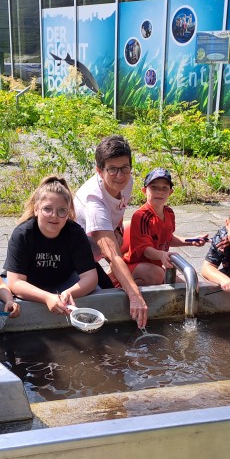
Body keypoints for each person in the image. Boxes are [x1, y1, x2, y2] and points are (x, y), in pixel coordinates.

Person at [74, 135, 148, 327]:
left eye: (124, 168)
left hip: (101, 238)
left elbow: (118, 207)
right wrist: (136, 296)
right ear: (99, 171)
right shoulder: (94, 202)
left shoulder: (126, 182)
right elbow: (112, 255)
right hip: (76, 256)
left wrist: (118, 230)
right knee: (106, 293)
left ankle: (121, 276)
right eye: (112, 169)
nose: (120, 176)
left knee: (130, 234)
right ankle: (119, 278)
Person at [5, 176, 98, 315]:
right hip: (28, 284)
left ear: (68, 212)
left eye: (62, 210)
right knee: (9, 299)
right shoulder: (22, 234)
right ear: (36, 209)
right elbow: (16, 282)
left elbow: (91, 277)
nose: (54, 215)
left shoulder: (75, 233)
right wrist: (46, 297)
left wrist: (69, 293)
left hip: (64, 283)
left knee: (96, 295)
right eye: (47, 209)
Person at [121, 167, 207, 286]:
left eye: (164, 188)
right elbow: (145, 250)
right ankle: (124, 288)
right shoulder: (142, 216)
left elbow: (168, 238)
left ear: (170, 192)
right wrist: (161, 255)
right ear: (144, 190)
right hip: (134, 266)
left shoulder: (169, 213)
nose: (159, 192)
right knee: (157, 274)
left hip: (155, 268)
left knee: (186, 286)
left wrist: (191, 241)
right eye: (154, 187)